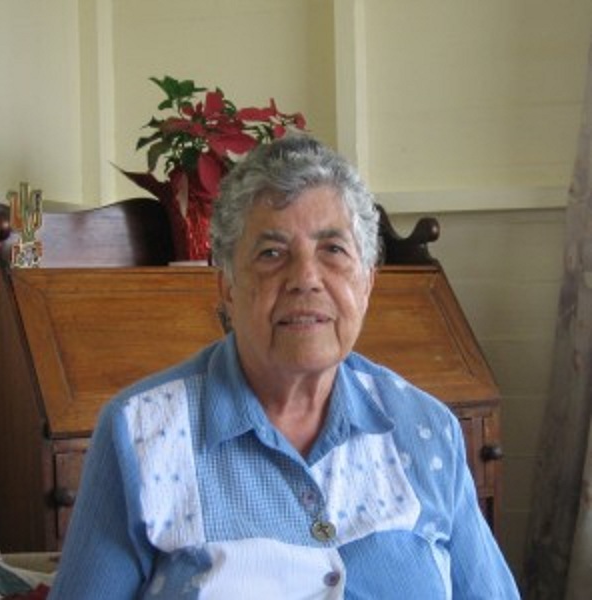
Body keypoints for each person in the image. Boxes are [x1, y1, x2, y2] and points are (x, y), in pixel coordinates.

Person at [48, 134, 520, 599]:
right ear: (227, 286)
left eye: (333, 250)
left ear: (367, 283)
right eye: (271, 253)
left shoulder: (426, 428)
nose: (305, 279)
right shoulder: (139, 433)